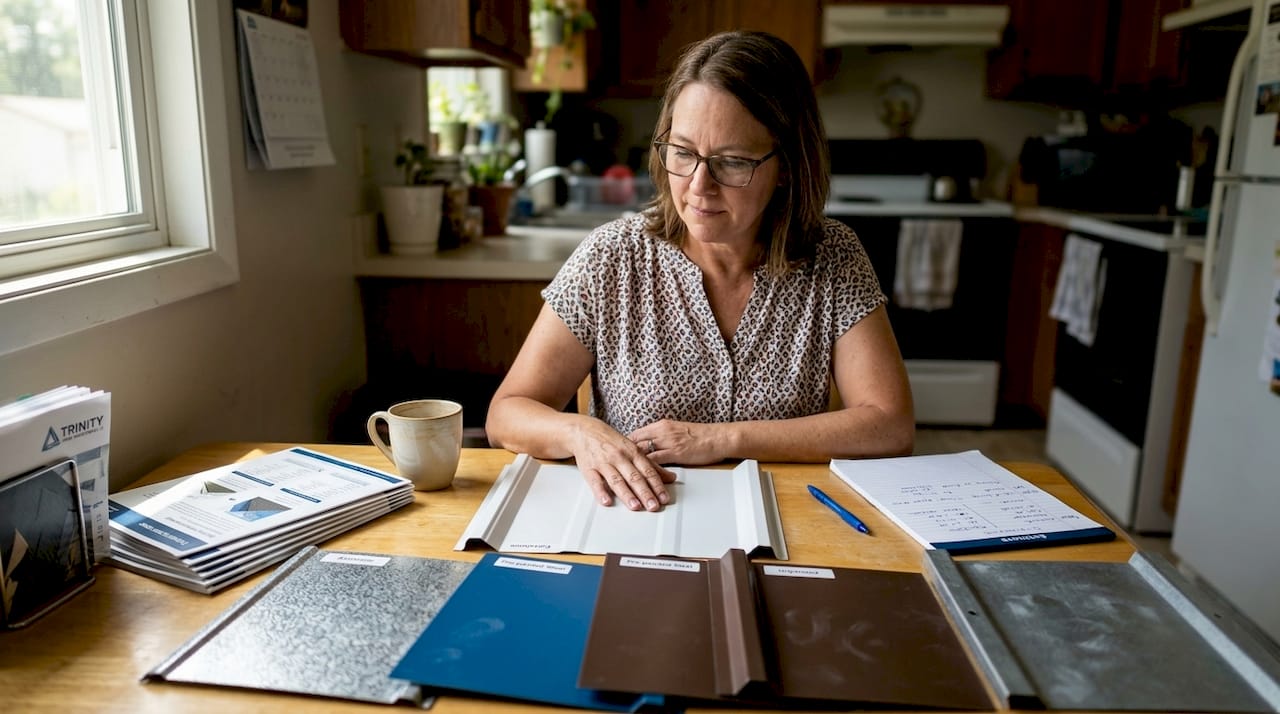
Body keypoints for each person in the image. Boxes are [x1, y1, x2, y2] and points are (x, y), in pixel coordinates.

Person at [486, 30, 913, 512]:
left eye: (731, 162)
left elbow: (890, 425)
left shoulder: (833, 256)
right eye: (683, 153)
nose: (698, 186)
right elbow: (507, 414)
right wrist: (580, 431)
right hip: (638, 523)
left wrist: (720, 439)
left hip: (790, 521)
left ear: (788, 166)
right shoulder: (612, 257)